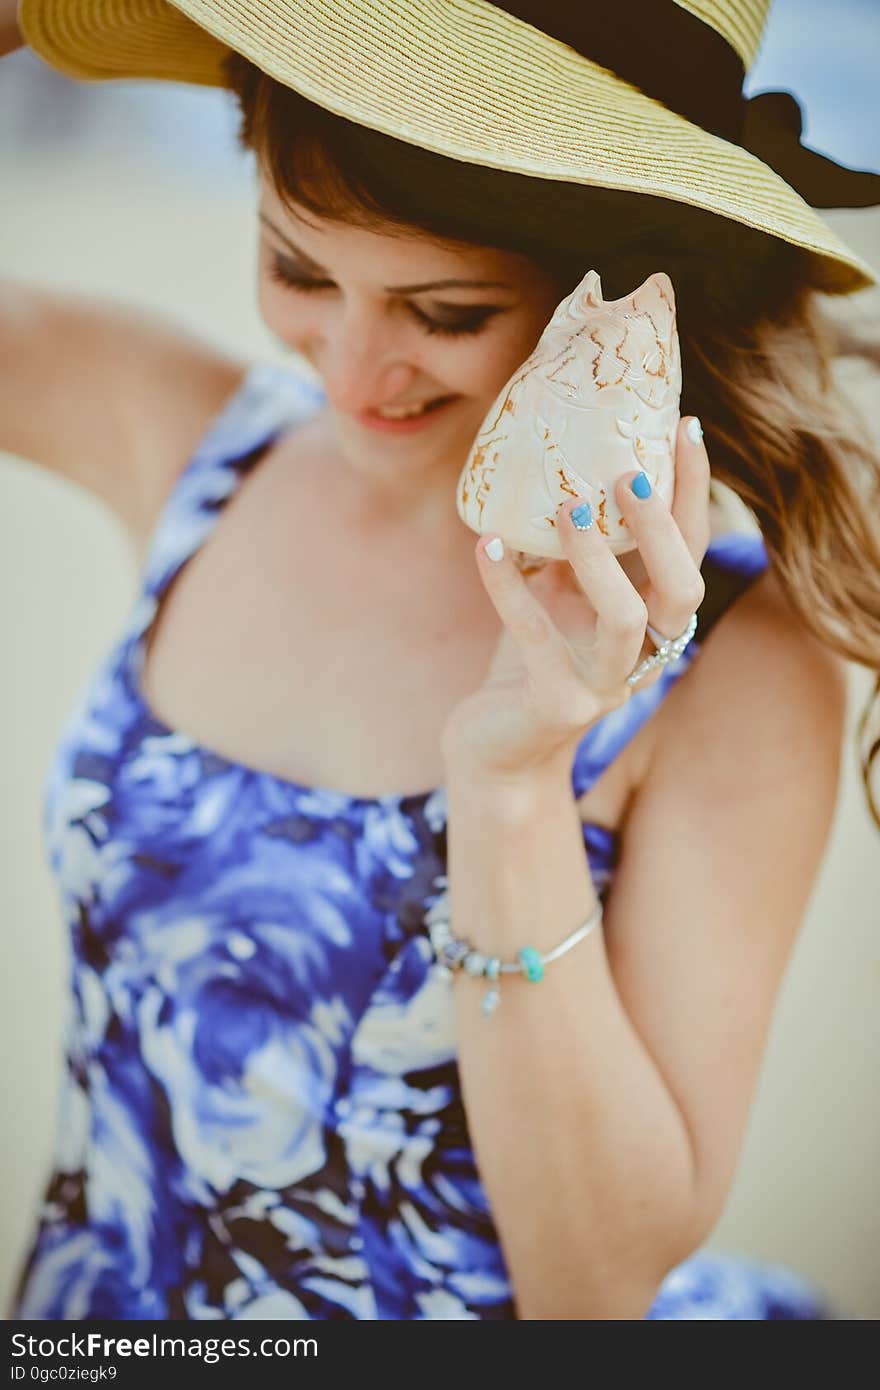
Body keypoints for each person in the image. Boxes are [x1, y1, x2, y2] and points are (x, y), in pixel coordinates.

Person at [3, 0, 879, 1320]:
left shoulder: (739, 664)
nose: (354, 370)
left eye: (445, 309)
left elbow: (591, 1283)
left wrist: (516, 784)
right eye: (299, 272)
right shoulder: (201, 448)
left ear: (619, 297)